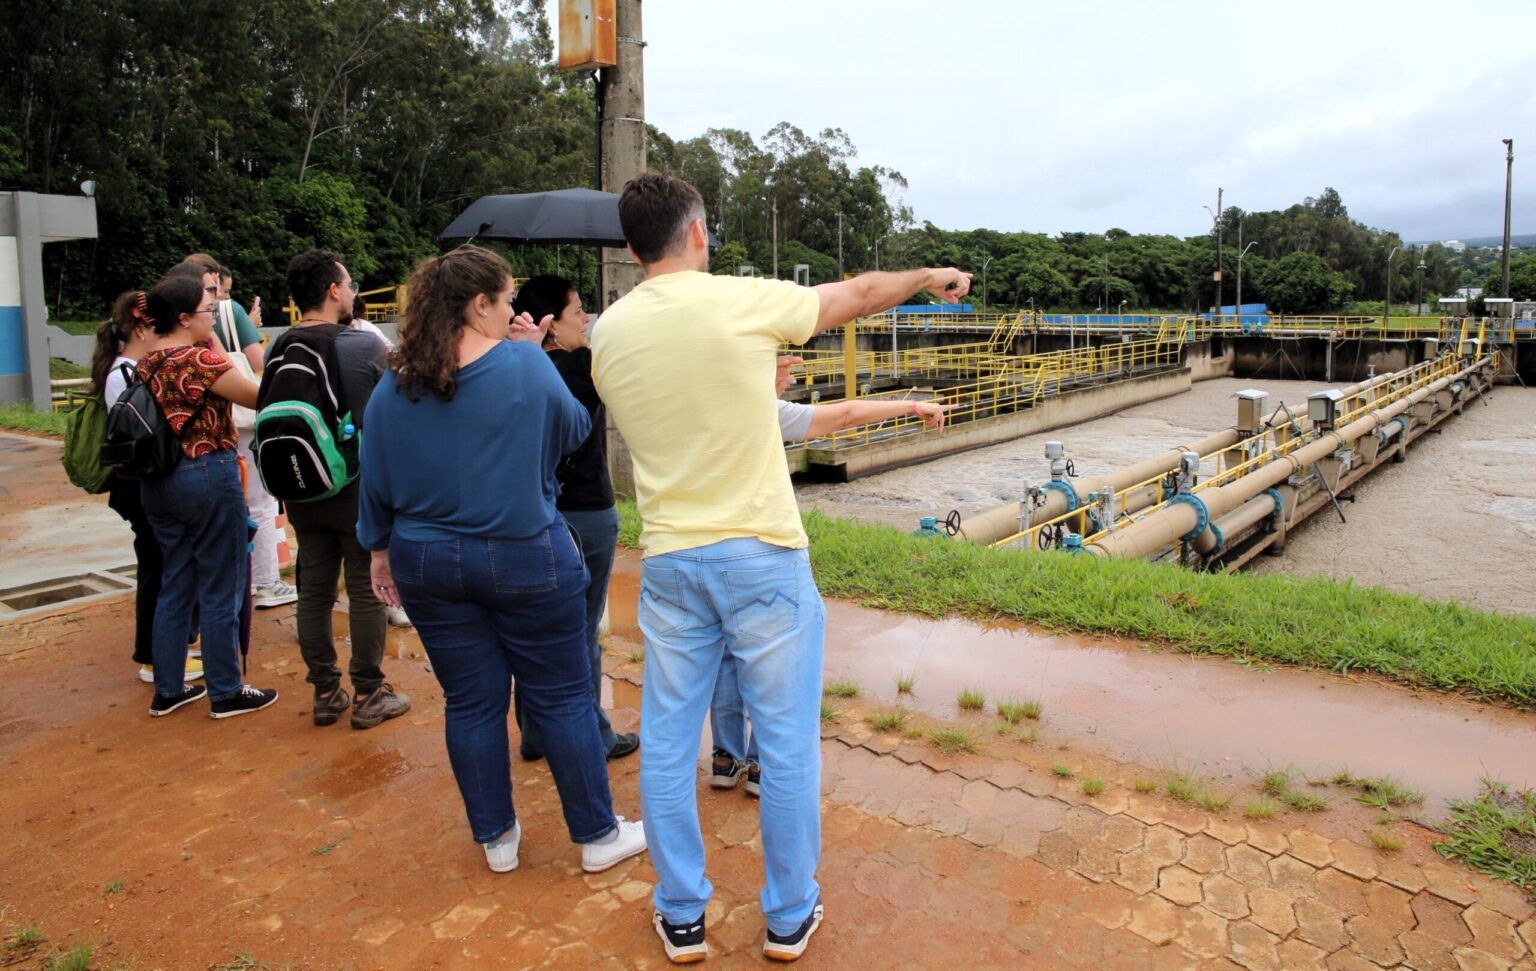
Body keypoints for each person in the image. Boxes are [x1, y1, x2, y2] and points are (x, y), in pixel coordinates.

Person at [591, 172, 969, 964]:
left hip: (670, 559)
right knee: (789, 743)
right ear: (697, 232)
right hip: (762, 554)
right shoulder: (737, 299)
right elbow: (860, 294)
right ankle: (789, 915)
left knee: (666, 744)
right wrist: (929, 278)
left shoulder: (607, 335)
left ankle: (683, 913)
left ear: (630, 248)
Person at [358, 245, 647, 875]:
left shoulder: (395, 382)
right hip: (524, 556)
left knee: (470, 701)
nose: (517, 309)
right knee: (564, 696)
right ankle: (597, 836)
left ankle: (497, 839)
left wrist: (379, 550)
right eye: (509, 298)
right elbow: (574, 432)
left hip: (426, 560)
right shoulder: (523, 365)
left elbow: (375, 478)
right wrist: (537, 355)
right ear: (480, 304)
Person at [709, 357, 951, 796]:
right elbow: (846, 413)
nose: (790, 379)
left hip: (706, 551)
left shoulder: (697, 409)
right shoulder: (765, 411)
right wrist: (914, 406)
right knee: (775, 659)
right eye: (782, 372)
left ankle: (725, 759)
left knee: (727, 657)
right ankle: (763, 766)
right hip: (764, 552)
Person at [276, 250, 410, 730]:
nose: (354, 293)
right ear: (333, 290)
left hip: (300, 488)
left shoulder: (280, 346)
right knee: (364, 588)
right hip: (353, 487)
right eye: (350, 283)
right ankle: (370, 694)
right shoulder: (360, 347)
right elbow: (388, 420)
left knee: (312, 590)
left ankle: (326, 693)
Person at [137, 273, 280, 719]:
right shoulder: (198, 360)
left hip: (159, 481)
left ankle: (169, 688)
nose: (213, 314)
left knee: (176, 583)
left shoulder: (148, 360)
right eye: (206, 309)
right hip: (207, 475)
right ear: (184, 318)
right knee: (223, 583)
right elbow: (259, 396)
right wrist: (217, 342)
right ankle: (225, 690)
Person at [510, 275, 638, 763]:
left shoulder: (508, 368)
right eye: (577, 311)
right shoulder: (585, 364)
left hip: (529, 513)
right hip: (585, 512)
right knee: (582, 629)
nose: (586, 319)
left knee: (533, 626)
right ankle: (594, 735)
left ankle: (535, 733)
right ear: (550, 323)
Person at [93, 291, 204, 685]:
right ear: (141, 328)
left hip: (148, 483)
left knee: (168, 566)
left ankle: (174, 647)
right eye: (156, 323)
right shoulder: (122, 374)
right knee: (158, 571)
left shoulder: (132, 368)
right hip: (139, 486)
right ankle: (154, 658)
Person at [186, 254, 296, 610]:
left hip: (200, 430)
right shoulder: (229, 310)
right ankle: (264, 580)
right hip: (240, 417)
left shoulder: (173, 318)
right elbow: (257, 362)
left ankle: (232, 580)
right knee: (260, 502)